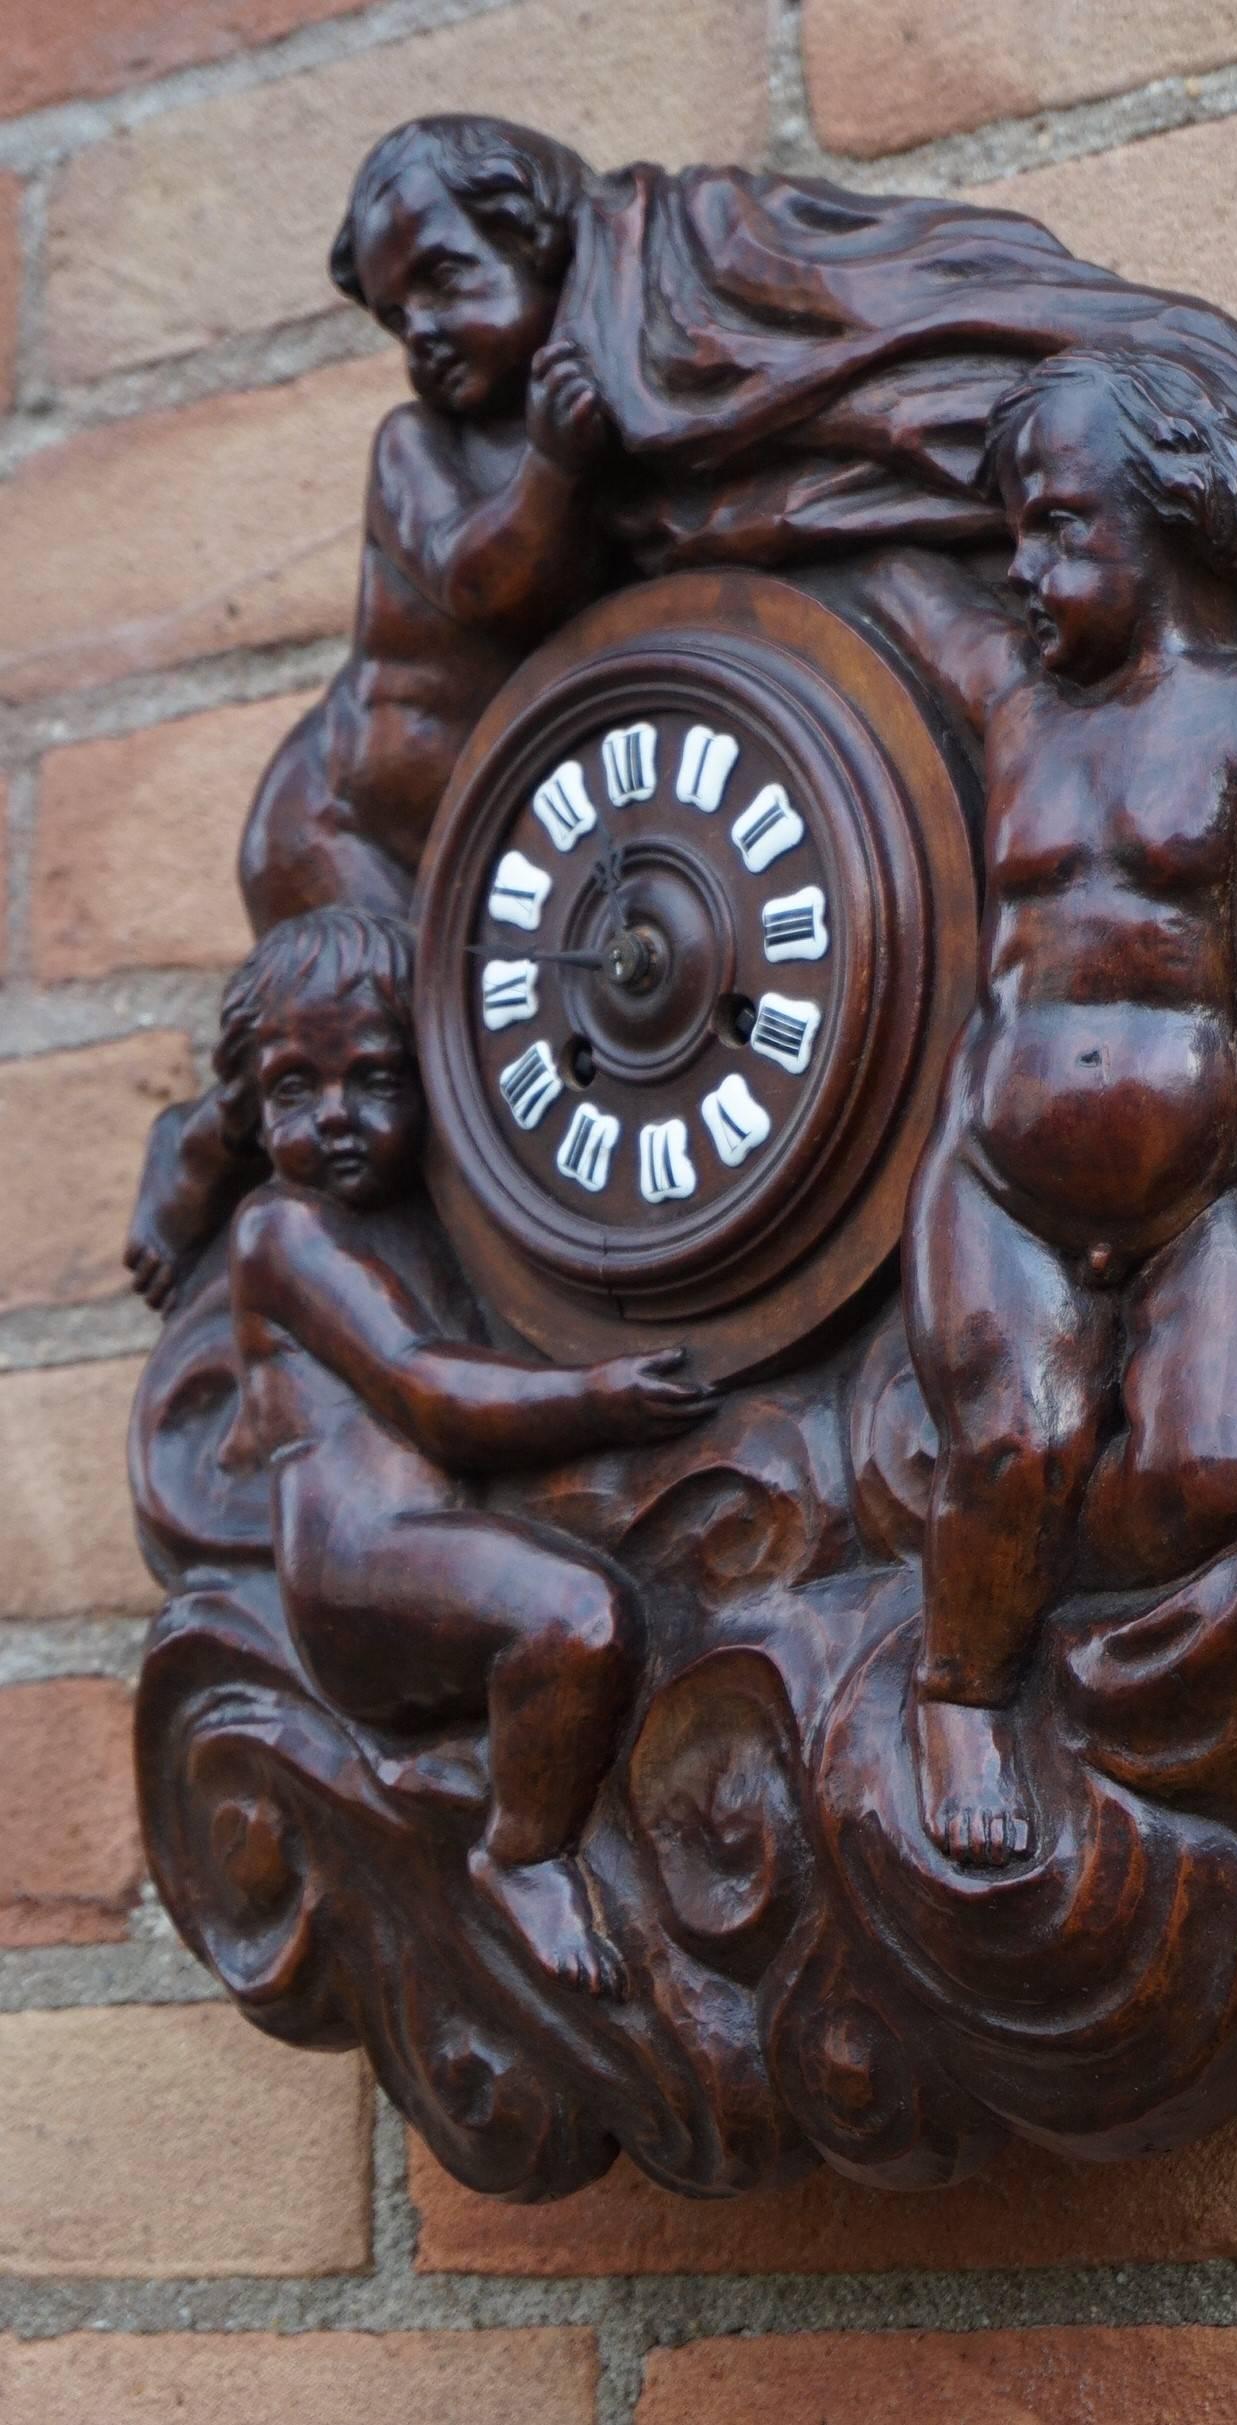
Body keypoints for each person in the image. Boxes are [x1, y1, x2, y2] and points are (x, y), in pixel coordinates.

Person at [860, 345, 1237, 1869]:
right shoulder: (1011, 717)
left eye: (1055, 528)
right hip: (1003, 1188)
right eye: (1009, 538)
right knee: (1022, 1435)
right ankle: (959, 1683)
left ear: (1169, 517)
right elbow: (885, 572)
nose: (1022, 573)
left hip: (1192, 1202)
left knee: (1217, 1464)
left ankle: (1017, 1577)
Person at [126, 114, 613, 1309]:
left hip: (469, 832)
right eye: (400, 320)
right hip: (342, 821)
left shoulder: (588, 424)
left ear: (544, 250)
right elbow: (481, 581)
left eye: (446, 280)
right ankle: (204, 1146)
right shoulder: (417, 449)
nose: (427, 335)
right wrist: (556, 464)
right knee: (371, 1054)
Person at [222, 908, 712, 1994]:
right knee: (571, 1619)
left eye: (378, 1081)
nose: (337, 1119)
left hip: (422, 1534)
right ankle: (522, 1849)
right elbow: (424, 1388)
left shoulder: (430, 1209)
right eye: (293, 1090)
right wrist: (598, 1396)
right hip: (360, 1570)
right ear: (253, 1104)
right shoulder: (285, 1232)